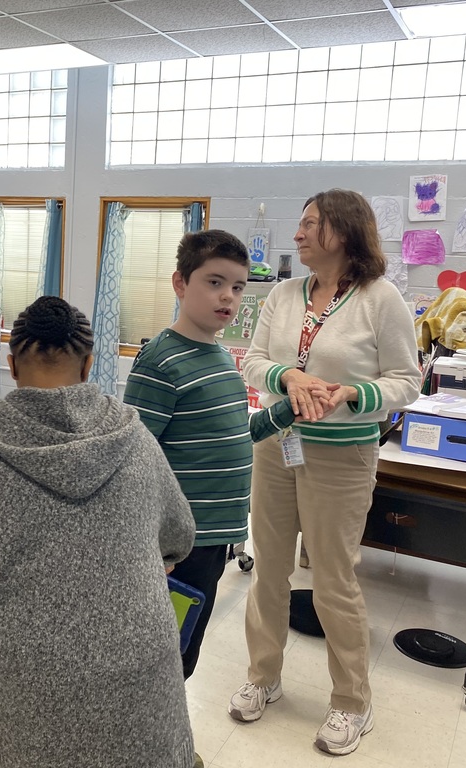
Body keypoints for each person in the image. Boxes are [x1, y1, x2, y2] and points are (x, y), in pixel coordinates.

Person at [0, 296, 201, 768]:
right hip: (142, 668)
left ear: (11, 366)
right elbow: (179, 535)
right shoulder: (135, 438)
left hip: (34, 681)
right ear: (88, 365)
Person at [228, 189, 421, 756]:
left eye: (311, 224)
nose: (299, 233)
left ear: (344, 230)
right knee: (269, 570)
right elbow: (253, 360)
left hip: (342, 457)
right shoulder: (284, 295)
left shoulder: (381, 300)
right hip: (278, 447)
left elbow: (405, 381)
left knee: (334, 579)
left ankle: (352, 703)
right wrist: (288, 378)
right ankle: (263, 677)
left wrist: (351, 394)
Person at [123, 229, 309, 682]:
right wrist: (153, 541)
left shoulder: (222, 356)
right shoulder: (160, 361)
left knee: (182, 650)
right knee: (159, 657)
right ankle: (150, 747)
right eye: (214, 282)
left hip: (212, 537)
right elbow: (133, 461)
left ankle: (162, 742)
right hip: (178, 541)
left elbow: (238, 436)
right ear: (180, 283)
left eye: (238, 287)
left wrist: (288, 411)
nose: (228, 296)